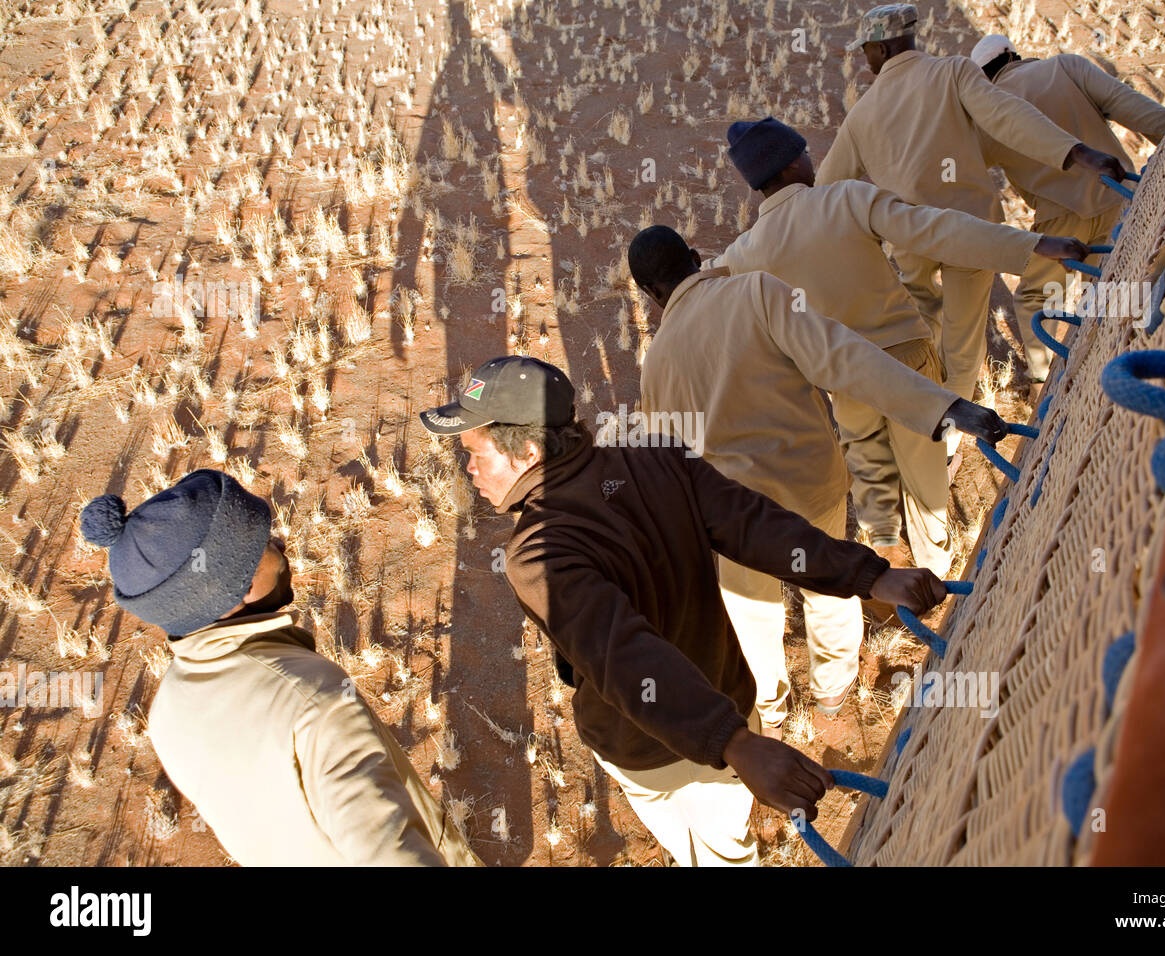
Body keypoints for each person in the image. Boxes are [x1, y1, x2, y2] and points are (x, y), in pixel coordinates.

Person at [418, 355, 949, 866]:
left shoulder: (537, 553)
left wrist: (733, 745)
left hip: (658, 751)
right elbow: (755, 524)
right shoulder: (655, 458)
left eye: (476, 452)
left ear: (527, 452)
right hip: (728, 703)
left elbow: (624, 658)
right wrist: (870, 575)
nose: (469, 469)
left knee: (722, 853)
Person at [628, 224, 1008, 737]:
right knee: (829, 583)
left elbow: (667, 462)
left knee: (749, 612)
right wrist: (944, 406)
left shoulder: (656, 365)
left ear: (649, 295)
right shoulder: (757, 292)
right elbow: (844, 358)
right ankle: (832, 690)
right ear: (696, 256)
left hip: (733, 515)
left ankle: (772, 709)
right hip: (810, 483)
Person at [712, 116, 1088, 573]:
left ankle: (888, 557)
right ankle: (936, 566)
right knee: (925, 476)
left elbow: (705, 281)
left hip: (843, 381)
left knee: (869, 472)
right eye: (805, 154)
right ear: (791, 165)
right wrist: (1033, 245)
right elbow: (939, 230)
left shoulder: (745, 253)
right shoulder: (846, 198)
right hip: (904, 358)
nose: (813, 161)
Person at [79, 470, 480, 867]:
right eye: (262, 543)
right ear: (242, 587)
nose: (279, 543)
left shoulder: (166, 710)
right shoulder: (312, 699)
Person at [818, 3, 1125, 438]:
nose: (863, 59)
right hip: (971, 238)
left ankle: (924, 418)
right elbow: (1010, 118)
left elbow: (824, 190)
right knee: (962, 346)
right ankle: (948, 439)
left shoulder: (861, 116)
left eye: (865, 50)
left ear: (882, 47)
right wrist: (1075, 152)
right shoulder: (954, 72)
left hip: (910, 241)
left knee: (924, 331)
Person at [969, 35, 1165, 380]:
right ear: (1013, 55)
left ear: (983, 76)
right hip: (1120, 197)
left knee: (1037, 298)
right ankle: (1140, 357)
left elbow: (965, 179)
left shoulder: (986, 113)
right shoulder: (1066, 67)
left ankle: (1049, 385)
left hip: (1059, 222)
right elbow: (1142, 114)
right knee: (1116, 291)